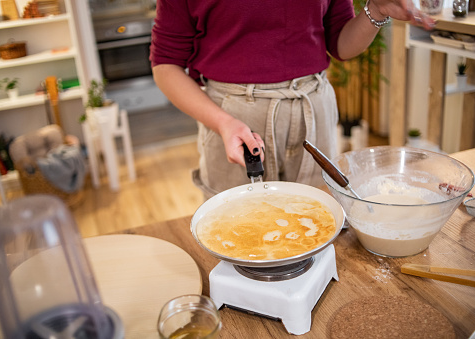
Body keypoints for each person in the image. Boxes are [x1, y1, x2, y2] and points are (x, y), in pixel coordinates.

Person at [150, 0, 434, 199]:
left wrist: (376, 9)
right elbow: (165, 65)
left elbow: (341, 44)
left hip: (312, 108)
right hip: (234, 118)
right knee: (238, 230)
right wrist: (224, 124)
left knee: (315, 220)